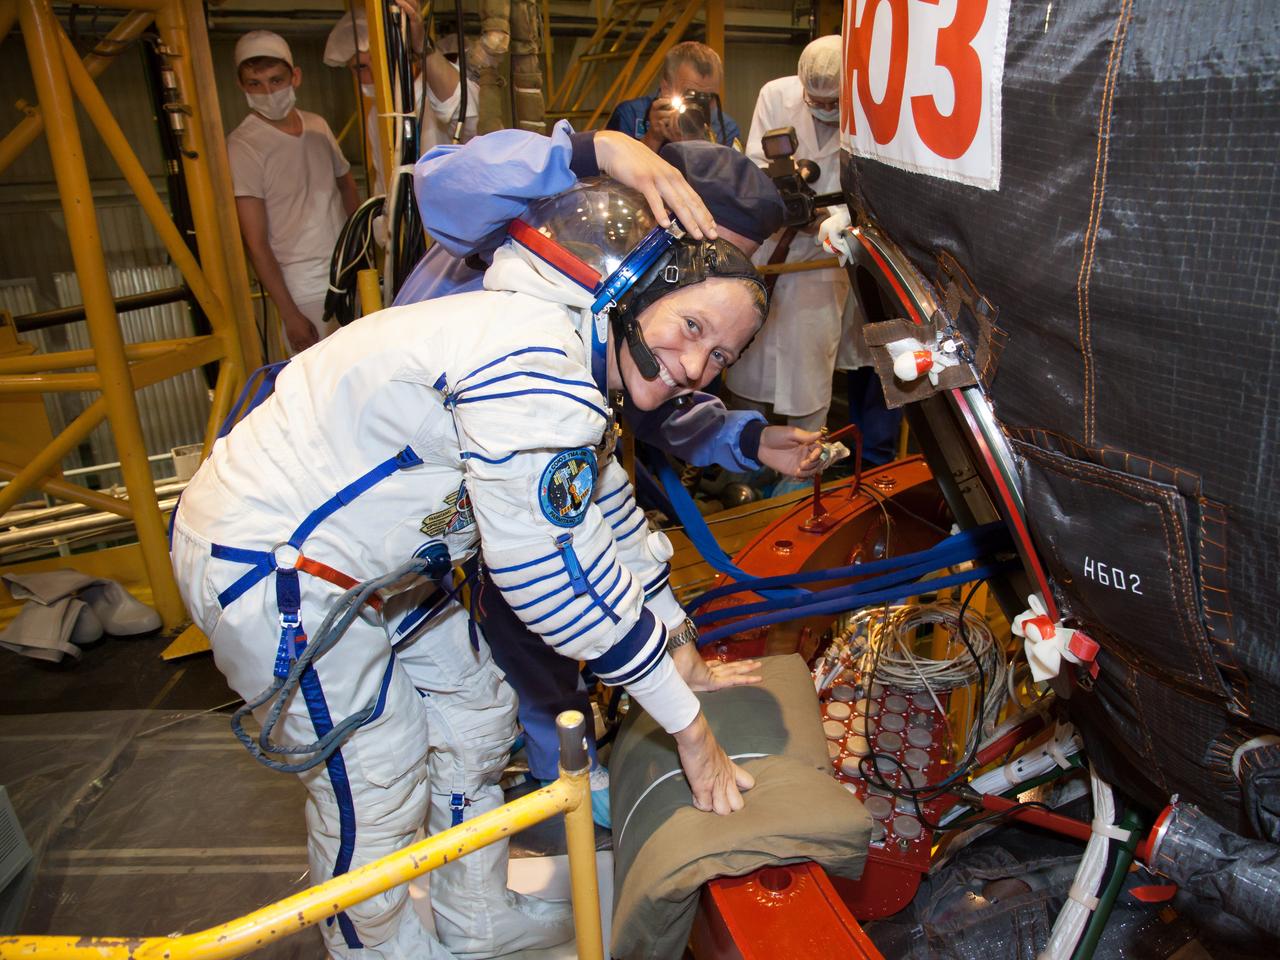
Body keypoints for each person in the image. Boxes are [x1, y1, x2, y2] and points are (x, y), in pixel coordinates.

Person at [170, 178, 769, 959]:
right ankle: (373, 949)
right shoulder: (534, 360)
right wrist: (687, 726)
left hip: (373, 566)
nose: (695, 365)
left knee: (475, 716)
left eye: (718, 354)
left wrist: (678, 644)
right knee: (374, 778)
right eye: (691, 326)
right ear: (630, 291)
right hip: (275, 567)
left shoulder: (561, 348)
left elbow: (608, 510)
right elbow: (553, 576)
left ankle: (473, 912)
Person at [394, 123, 824, 824]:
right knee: (429, 726)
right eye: (706, 263)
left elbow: (642, 396)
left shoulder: (603, 326)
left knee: (468, 709)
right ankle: (557, 773)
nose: (698, 356)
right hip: (394, 503)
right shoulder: (547, 239)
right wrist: (589, 152)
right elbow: (440, 185)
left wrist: (746, 439)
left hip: (445, 504)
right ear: (654, 218)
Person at [726, 35, 852, 433]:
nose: (826, 109)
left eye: (835, 102)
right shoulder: (776, 95)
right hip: (770, 253)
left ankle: (805, 466)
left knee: (810, 371)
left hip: (823, 258)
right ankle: (744, 457)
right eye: (816, 101)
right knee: (748, 361)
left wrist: (834, 218)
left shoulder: (870, 112)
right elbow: (756, 168)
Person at [228, 31, 359, 355]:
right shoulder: (243, 146)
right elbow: (255, 242)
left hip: (347, 273)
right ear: (242, 86)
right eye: (255, 84)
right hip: (303, 288)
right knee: (322, 386)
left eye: (276, 80)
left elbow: (346, 184)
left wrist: (361, 251)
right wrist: (290, 313)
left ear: (295, 77)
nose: (268, 92)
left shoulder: (317, 126)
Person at [323, 4, 479, 197]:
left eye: (380, 59)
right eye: (361, 67)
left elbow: (464, 110)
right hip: (410, 222)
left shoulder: (433, 85)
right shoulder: (378, 114)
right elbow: (385, 181)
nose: (376, 72)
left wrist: (421, 43)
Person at [606, 41, 742, 152]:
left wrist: (695, 146)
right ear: (666, 88)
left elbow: (728, 183)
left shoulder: (726, 128)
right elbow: (613, 180)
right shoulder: (631, 115)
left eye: (709, 99)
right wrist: (653, 138)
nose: (699, 107)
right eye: (692, 96)